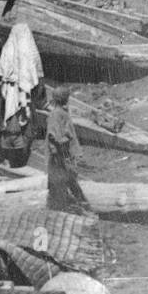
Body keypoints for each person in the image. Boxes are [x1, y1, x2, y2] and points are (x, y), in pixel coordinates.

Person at [0, 22, 44, 166]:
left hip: (6, 102)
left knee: (5, 124)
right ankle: (20, 161)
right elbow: (39, 86)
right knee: (25, 128)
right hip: (25, 103)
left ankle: (6, 159)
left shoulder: (6, 53)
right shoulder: (33, 56)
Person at [46, 87, 92, 215]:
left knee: (64, 181)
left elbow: (54, 136)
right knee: (66, 181)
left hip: (61, 155)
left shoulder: (57, 114)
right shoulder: (59, 114)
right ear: (66, 100)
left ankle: (77, 207)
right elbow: (56, 136)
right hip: (62, 155)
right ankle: (79, 206)